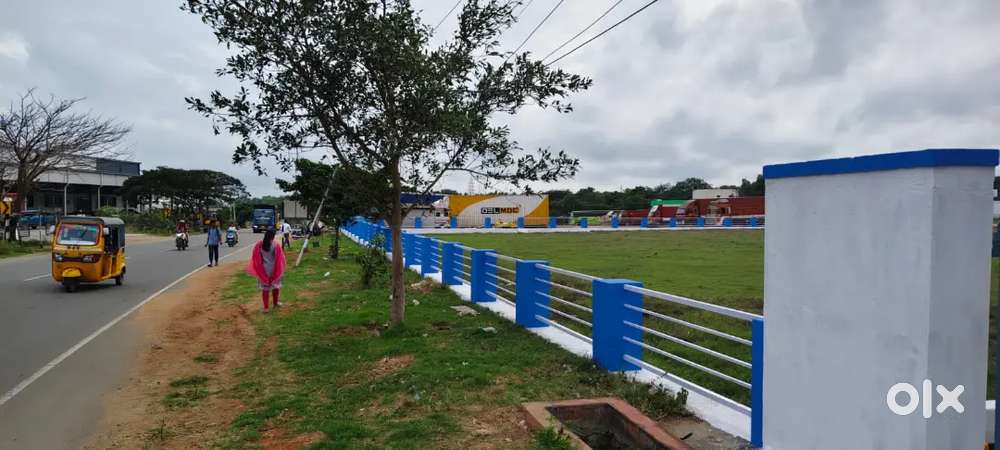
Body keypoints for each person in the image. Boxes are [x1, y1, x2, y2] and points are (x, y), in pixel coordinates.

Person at [247, 229, 286, 313]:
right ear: (273, 236)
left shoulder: (259, 244)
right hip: (274, 268)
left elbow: (256, 257)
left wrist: (260, 267)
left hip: (263, 269)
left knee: (265, 288)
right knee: (275, 286)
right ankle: (275, 303)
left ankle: (266, 308)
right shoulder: (275, 245)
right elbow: (280, 258)